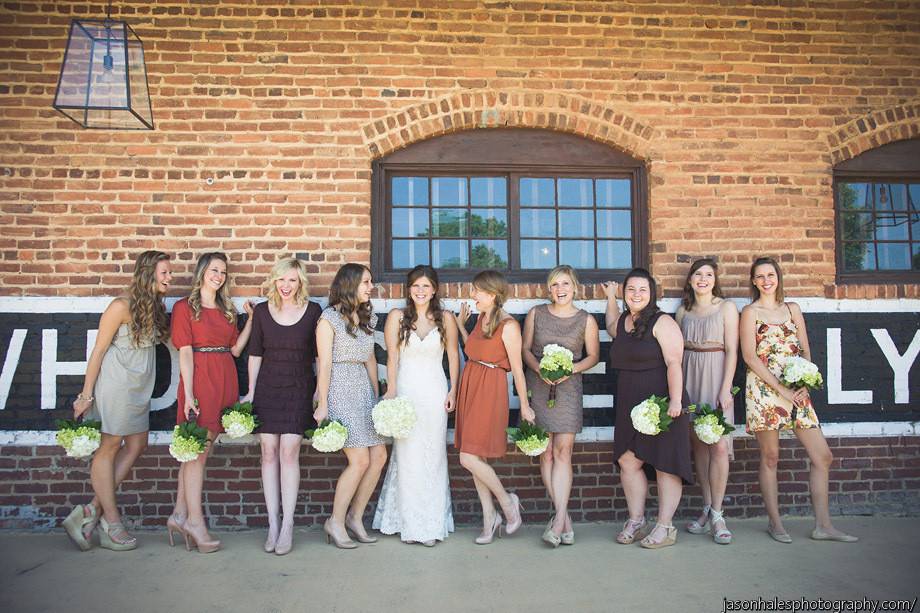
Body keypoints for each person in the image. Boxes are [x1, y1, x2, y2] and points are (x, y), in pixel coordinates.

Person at [741, 256, 858, 544]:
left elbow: (805, 350)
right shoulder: (750, 312)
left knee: (823, 456)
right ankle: (776, 523)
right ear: (754, 282)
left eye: (771, 274)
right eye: (760, 276)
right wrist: (781, 389)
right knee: (771, 457)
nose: (766, 280)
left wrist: (804, 383)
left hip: (797, 391)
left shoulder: (792, 309)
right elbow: (749, 357)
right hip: (765, 390)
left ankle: (823, 526)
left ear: (778, 277)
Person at [63, 250, 172, 551]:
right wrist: (86, 396)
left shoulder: (154, 307)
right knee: (109, 446)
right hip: (116, 385)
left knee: (137, 444)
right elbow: (98, 351)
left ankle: (89, 511)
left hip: (138, 388)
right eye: (164, 272)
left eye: (169, 273)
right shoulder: (120, 306)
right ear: (148, 273)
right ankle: (111, 522)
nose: (169, 278)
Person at [167, 252, 253, 553]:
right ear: (203, 272)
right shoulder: (183, 308)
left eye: (223, 272)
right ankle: (194, 521)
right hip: (200, 379)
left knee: (197, 453)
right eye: (214, 270)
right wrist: (189, 393)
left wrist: (251, 320)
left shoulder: (225, 308)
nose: (219, 276)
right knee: (196, 453)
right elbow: (186, 353)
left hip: (225, 377)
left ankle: (178, 515)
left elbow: (236, 350)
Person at [373, 265, 459, 546]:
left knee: (433, 456)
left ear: (434, 289)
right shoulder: (397, 317)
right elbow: (392, 359)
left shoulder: (445, 318)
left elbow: (454, 357)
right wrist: (393, 390)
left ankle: (431, 525)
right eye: (415, 286)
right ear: (408, 290)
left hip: (435, 391)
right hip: (407, 391)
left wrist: (453, 390)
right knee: (407, 456)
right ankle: (409, 524)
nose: (420, 291)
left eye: (426, 286)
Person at [607, 268, 692, 549]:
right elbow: (610, 327)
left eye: (642, 289)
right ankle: (637, 520)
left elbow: (673, 363)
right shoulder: (622, 322)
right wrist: (609, 298)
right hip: (630, 402)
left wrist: (676, 401)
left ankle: (665, 527)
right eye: (630, 289)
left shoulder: (662, 321)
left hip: (662, 401)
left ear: (652, 293)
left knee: (665, 463)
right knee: (628, 461)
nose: (636, 295)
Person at [242, 257, 322, 555]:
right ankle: (272, 526)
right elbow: (255, 354)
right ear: (274, 281)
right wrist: (250, 392)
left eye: (292, 280)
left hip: (298, 388)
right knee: (268, 453)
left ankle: (288, 524)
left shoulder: (313, 311)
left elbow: (318, 356)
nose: (286, 286)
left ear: (300, 282)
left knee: (289, 453)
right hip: (267, 389)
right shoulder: (262, 312)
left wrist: (318, 392)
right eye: (281, 279)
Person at [455, 270, 535, 545]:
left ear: (491, 294)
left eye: (476, 291)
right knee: (476, 458)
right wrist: (461, 327)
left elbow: (518, 369)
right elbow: (475, 351)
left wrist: (524, 405)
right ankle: (490, 518)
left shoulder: (509, 325)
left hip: (490, 388)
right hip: (472, 383)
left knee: (468, 457)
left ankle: (507, 502)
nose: (472, 295)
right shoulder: (481, 318)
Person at [522, 265, 599, 547]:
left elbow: (593, 356)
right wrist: (539, 368)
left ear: (574, 287)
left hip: (568, 389)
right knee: (546, 455)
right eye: (555, 285)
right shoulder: (536, 314)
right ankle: (563, 520)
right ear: (549, 289)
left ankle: (558, 520)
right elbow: (525, 349)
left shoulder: (585, 320)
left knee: (563, 452)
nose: (560, 289)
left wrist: (572, 368)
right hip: (539, 386)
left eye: (565, 284)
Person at [314, 263, 387, 549]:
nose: (370, 287)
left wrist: (376, 395)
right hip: (339, 389)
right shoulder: (328, 320)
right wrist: (322, 403)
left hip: (363, 391)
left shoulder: (368, 317)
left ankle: (355, 517)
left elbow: (369, 358)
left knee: (379, 456)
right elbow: (325, 363)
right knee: (359, 460)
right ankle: (335, 520)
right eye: (365, 282)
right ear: (350, 285)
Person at [675, 258, 739, 545]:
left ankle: (718, 513)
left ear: (715, 279)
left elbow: (734, 351)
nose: (703, 279)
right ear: (690, 280)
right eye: (698, 274)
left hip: (716, 377)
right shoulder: (682, 311)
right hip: (690, 375)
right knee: (698, 445)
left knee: (719, 445)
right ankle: (706, 506)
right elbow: (675, 355)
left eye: (709, 274)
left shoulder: (726, 307)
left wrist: (726, 389)